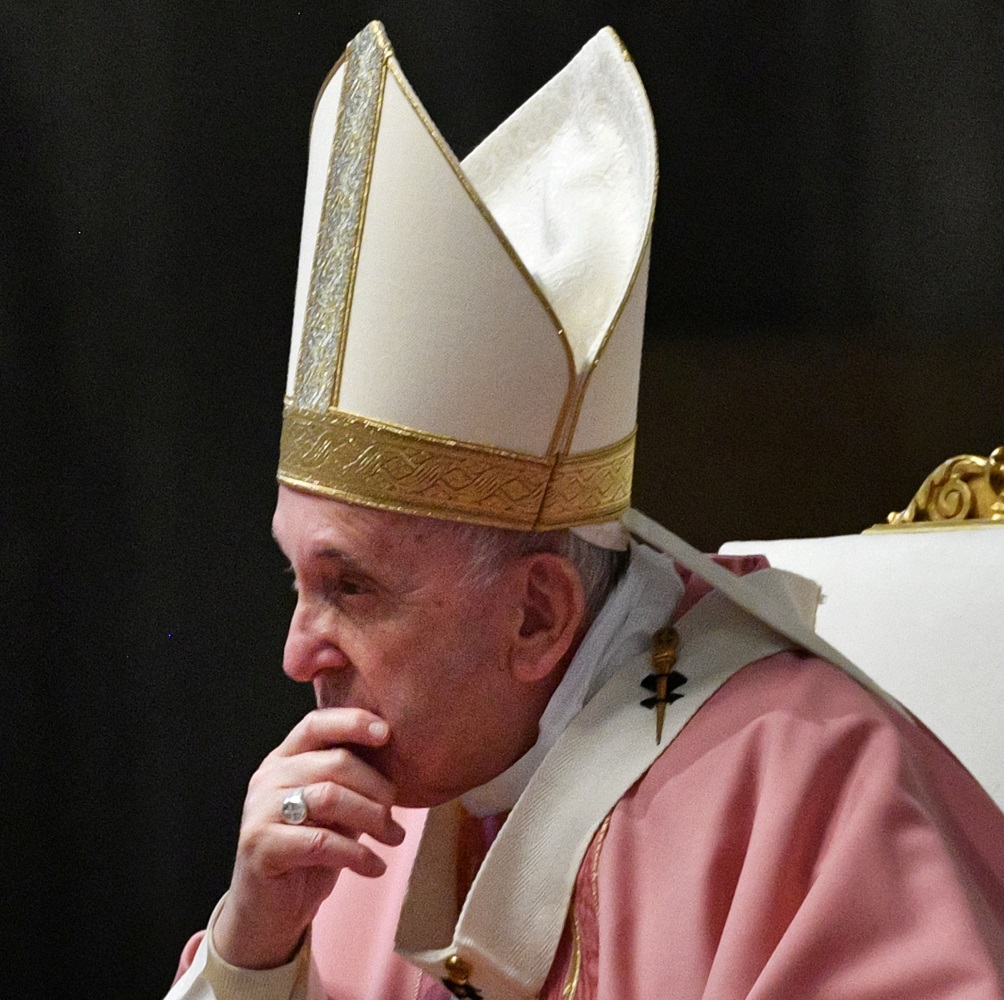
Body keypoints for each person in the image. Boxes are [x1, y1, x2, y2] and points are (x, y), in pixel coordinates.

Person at [167, 21, 1004, 1000]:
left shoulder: (801, 784)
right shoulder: (373, 827)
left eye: (351, 587)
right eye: (297, 578)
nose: (299, 651)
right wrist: (253, 950)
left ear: (538, 614)